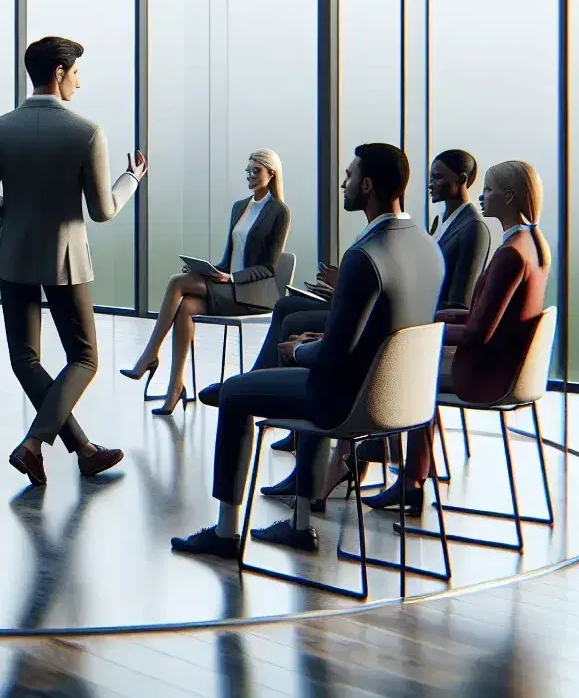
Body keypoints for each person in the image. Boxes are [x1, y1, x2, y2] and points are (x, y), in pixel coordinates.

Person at [171, 143, 442, 558]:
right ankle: (298, 523)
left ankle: (226, 533)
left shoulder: (363, 257)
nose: (344, 183)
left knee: (236, 394)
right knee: (311, 356)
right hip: (402, 400)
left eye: (350, 176)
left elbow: (335, 358)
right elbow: (378, 332)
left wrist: (299, 352)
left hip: (348, 401)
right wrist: (318, 344)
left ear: (367, 186)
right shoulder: (426, 248)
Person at [0, 36, 143, 486]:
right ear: (60, 72)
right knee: (84, 357)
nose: (80, 84)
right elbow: (103, 211)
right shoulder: (87, 132)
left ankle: (82, 449)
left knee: (25, 358)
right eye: (77, 74)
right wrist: (132, 178)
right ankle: (37, 444)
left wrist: (18, 201)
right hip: (64, 258)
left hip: (14, 254)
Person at [365, 160, 551, 514]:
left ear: (509, 197)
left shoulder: (510, 254)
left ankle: (400, 472)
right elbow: (491, 318)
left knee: (407, 372)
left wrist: (418, 329)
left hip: (486, 374)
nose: (482, 196)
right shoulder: (532, 246)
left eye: (491, 190)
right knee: (415, 368)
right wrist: (437, 317)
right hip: (508, 366)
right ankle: (408, 471)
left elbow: (477, 333)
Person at [121, 149, 291, 416]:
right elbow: (228, 258)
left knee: (177, 283)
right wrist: (212, 270)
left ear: (271, 174)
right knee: (187, 306)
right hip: (228, 285)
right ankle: (175, 386)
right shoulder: (240, 207)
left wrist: (232, 277)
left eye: (256, 170)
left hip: (251, 294)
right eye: (248, 169)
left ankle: (150, 355)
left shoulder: (279, 211)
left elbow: (268, 268)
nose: (249, 174)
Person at [428, 149, 493, 311]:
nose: (430, 184)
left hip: (440, 325)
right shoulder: (438, 222)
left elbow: (461, 301)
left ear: (461, 179)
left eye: (437, 177)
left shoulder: (474, 227)